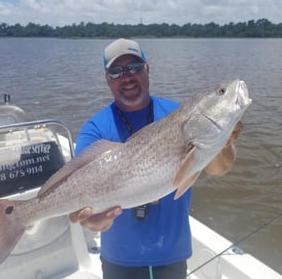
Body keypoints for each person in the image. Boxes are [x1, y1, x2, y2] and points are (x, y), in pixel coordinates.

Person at [69, 38, 243, 279]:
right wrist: (93, 222)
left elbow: (218, 169)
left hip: (172, 256)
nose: (127, 76)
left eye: (135, 67)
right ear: (107, 79)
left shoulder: (180, 115)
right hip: (120, 260)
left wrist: (222, 142)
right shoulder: (95, 130)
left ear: (148, 69)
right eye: (117, 71)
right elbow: (80, 194)